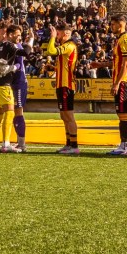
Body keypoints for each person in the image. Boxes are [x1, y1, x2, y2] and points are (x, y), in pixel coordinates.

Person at [0, 25, 29, 152]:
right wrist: (30, 41)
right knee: (10, 112)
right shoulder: (9, 45)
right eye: (17, 35)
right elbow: (26, 52)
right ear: (10, 34)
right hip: (4, 85)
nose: (19, 37)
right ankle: (6, 144)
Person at [46, 21, 80, 155]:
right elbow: (64, 66)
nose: (57, 36)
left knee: (68, 115)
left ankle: (74, 146)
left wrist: (52, 37)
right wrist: (54, 68)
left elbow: (51, 50)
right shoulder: (66, 46)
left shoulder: (69, 45)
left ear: (66, 34)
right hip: (61, 84)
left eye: (58, 33)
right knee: (64, 115)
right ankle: (68, 143)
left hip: (67, 85)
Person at [107, 15, 127, 156]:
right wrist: (101, 64)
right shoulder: (121, 40)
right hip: (123, 80)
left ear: (121, 24)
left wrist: (117, 83)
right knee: (123, 113)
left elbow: (126, 64)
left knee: (122, 113)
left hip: (123, 81)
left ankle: (124, 145)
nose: (111, 27)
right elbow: (119, 62)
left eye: (113, 24)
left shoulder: (124, 39)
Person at [12, 24, 34, 152]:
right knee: (13, 112)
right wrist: (31, 38)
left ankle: (22, 144)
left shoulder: (16, 46)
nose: (19, 37)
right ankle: (18, 142)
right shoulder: (15, 45)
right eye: (18, 35)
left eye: (20, 35)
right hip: (13, 82)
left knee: (18, 111)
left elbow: (26, 52)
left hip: (19, 82)